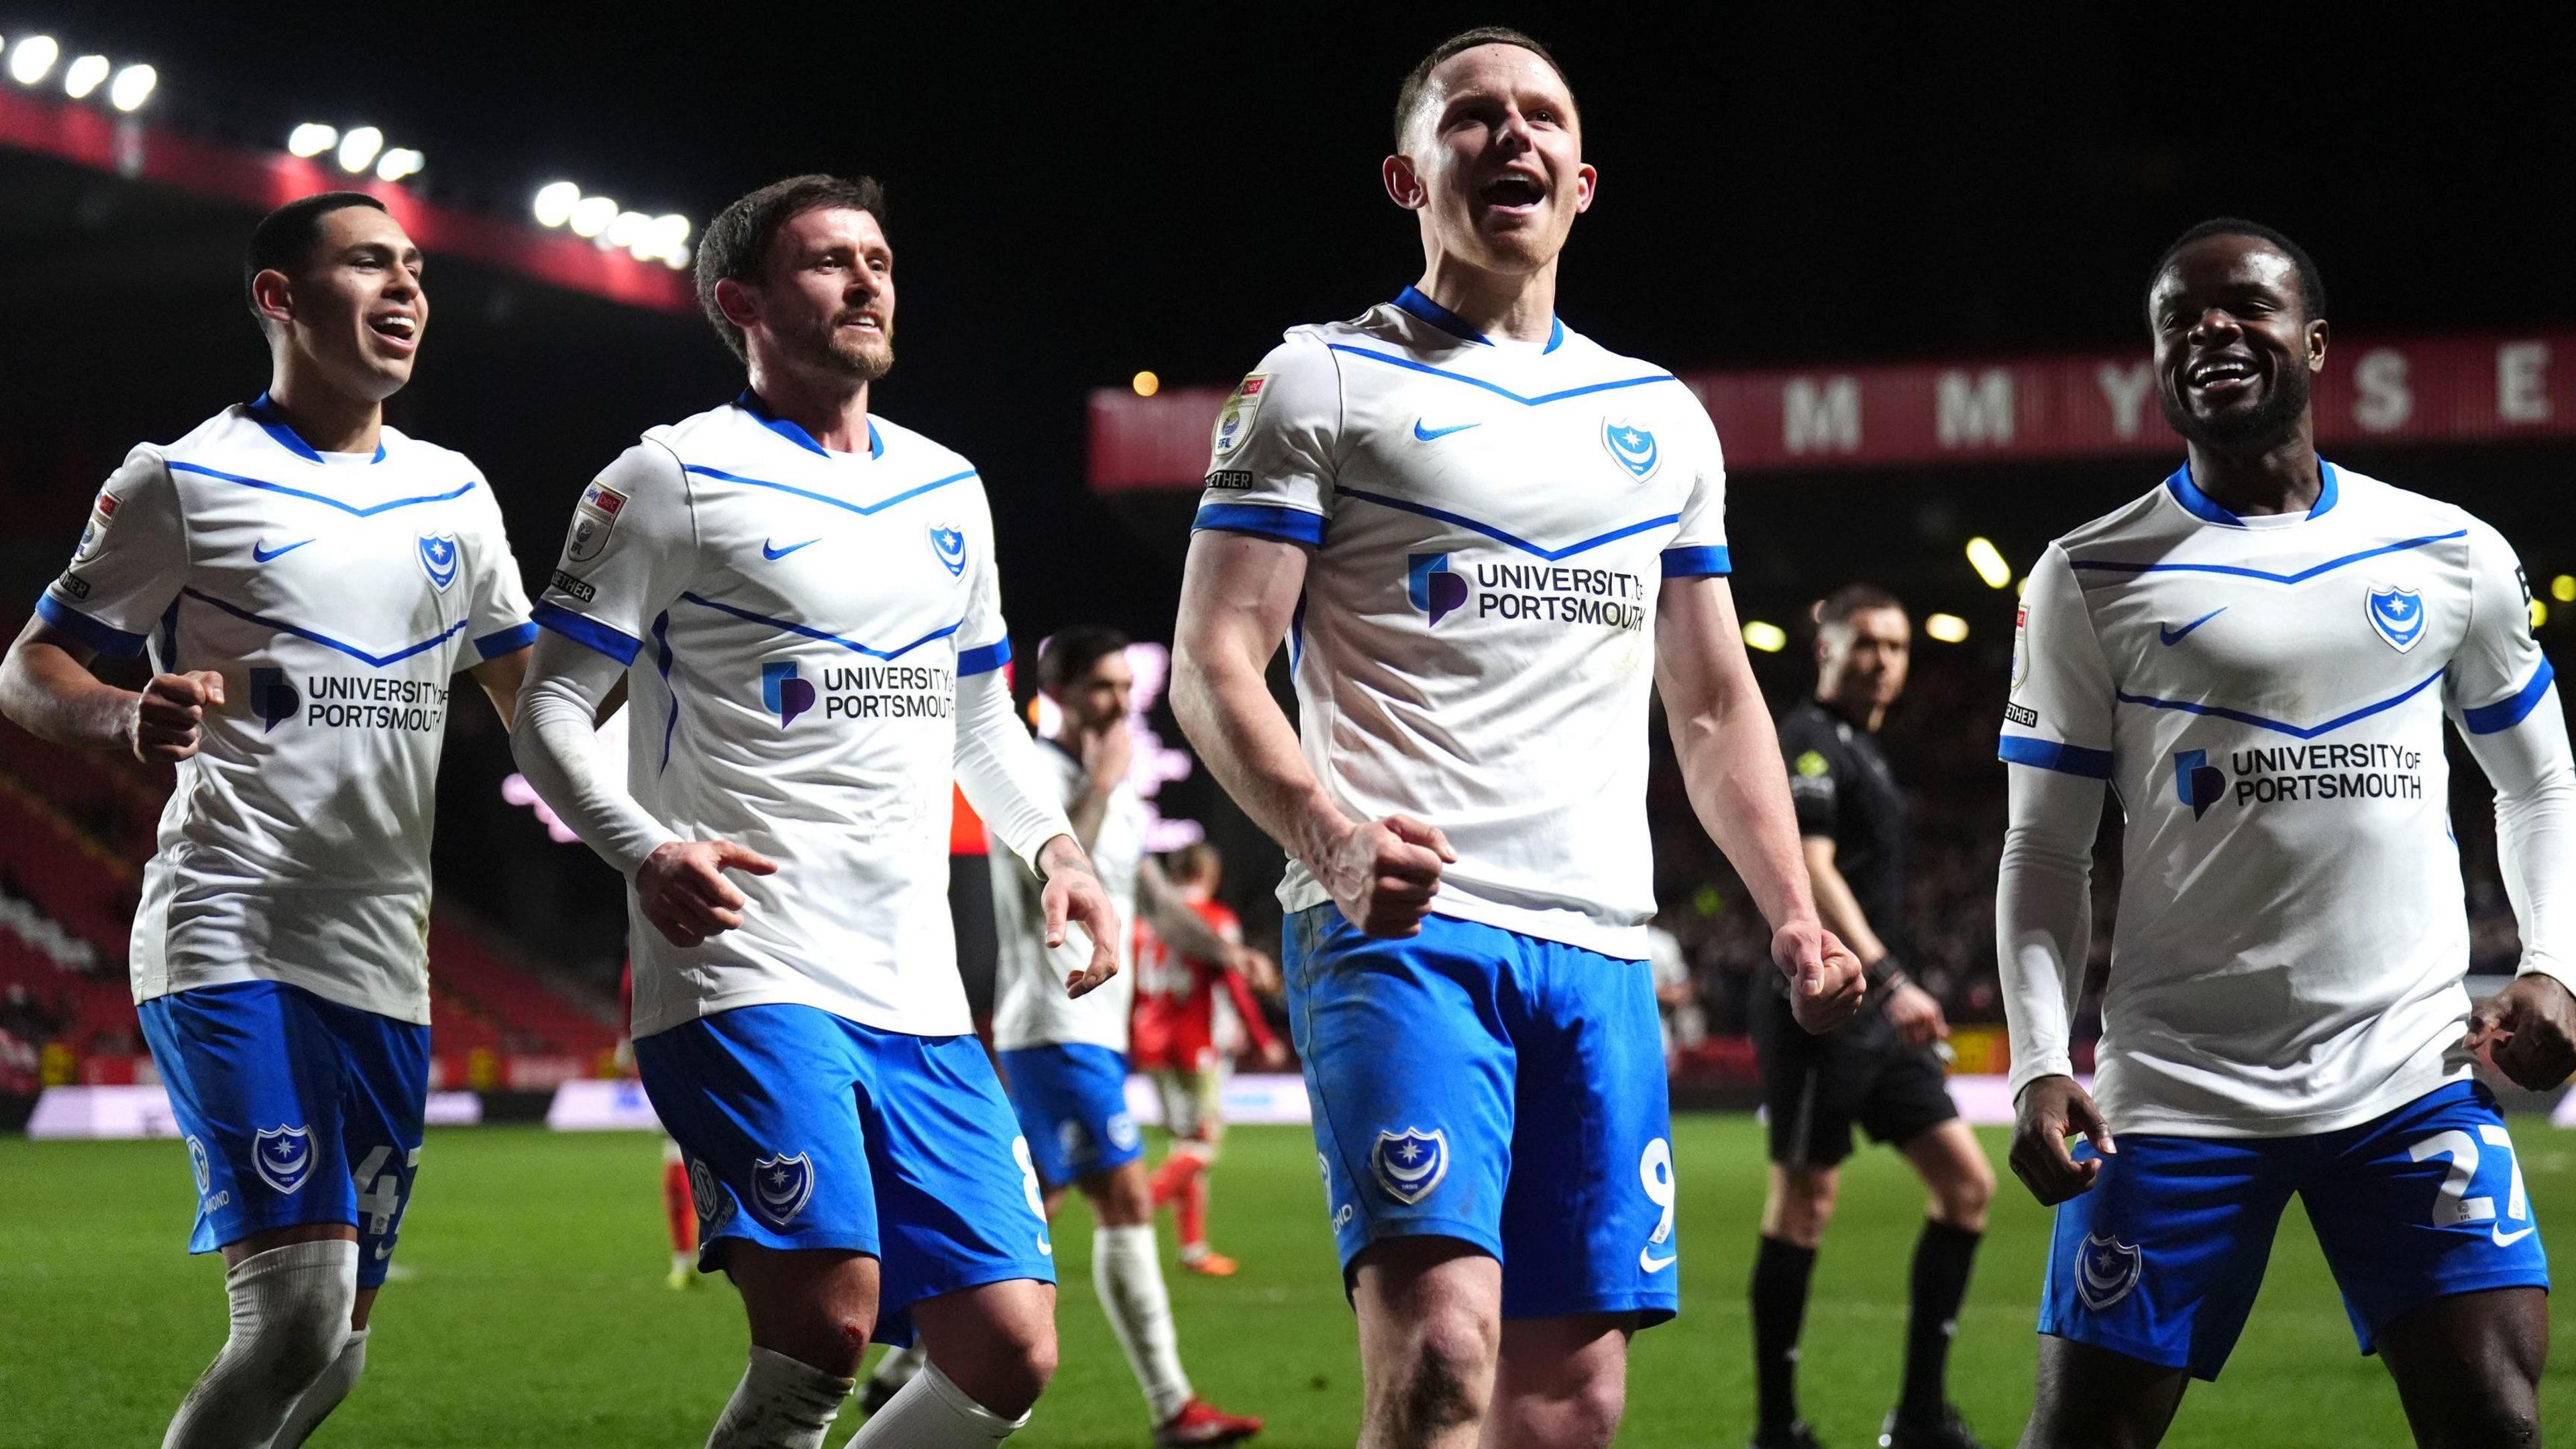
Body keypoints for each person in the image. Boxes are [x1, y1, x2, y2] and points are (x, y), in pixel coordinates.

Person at [1168, 28, 1866, 1449]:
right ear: (1407, 175)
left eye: (1541, 117)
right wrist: (1330, 836)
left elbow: (1717, 699)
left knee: (1573, 1406)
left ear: (1586, 181)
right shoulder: (1318, 384)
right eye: (1472, 118)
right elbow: (1215, 660)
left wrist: (1794, 912)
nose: (1512, 139)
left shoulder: (1657, 419)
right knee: (1437, 1363)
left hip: (1603, 948)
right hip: (1402, 930)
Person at [508, 173, 1122, 1449]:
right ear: (741, 302)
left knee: (1007, 1353)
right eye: (829, 261)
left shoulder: (950, 489)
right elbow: (549, 711)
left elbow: (977, 722)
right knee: (829, 1329)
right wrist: (645, 849)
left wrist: (1057, 851)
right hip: (743, 966)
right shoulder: (669, 477)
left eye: (880, 259)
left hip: (918, 989)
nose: (866, 281)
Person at [1998, 218, 2575, 1448]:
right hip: (2180, 1088)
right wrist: (2041, 1058)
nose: (2209, 328)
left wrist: (2554, 964)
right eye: (2178, 318)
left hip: (2408, 1076)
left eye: (2243, 307)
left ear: (2316, 345)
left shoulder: (2452, 552)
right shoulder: (2085, 575)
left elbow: (2541, 783)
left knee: (2494, 1417)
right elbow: (2043, 850)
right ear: (2157, 367)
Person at [0, 191, 535, 1449]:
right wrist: (119, 715)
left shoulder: (455, 493)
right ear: (279, 299)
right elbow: (29, 670)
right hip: (228, 930)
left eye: (414, 268)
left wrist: (667, 793)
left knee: (336, 1355)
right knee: (292, 1316)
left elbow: (540, 706)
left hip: (386, 962)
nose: (406, 291)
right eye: (368, 265)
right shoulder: (182, 478)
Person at [958, 626, 1266, 1444]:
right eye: (1103, 688)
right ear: (1053, 695)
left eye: (1128, 690)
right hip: (1055, 1023)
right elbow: (1064, 881)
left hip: (1098, 1028)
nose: (1122, 705)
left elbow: (1156, 903)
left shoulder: (1116, 789)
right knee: (1124, 1199)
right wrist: (1097, 784)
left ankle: (901, 1370)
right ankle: (1173, 1407)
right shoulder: (1027, 780)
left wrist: (1230, 954)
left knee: (1034, 1209)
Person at [1751, 585, 1992, 1449]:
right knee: (1804, 1206)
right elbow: (1813, 870)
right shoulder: (1808, 741)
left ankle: (1921, 1414)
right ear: (1828, 649)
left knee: (1967, 1188)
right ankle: (1777, 1430)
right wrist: (1892, 979)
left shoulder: (1867, 752)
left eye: (1896, 646)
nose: (1883, 661)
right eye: (1866, 644)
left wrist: (1888, 992)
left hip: (1877, 1014)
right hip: (1820, 1002)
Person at [1134, 840, 1289, 1277]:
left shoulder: (1149, 922)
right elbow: (1234, 981)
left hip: (1150, 1044)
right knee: (1203, 1145)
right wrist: (1262, 1037)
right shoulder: (1214, 921)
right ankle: (1136, 1206)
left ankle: (1193, 1249)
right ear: (1209, 874)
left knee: (1185, 1144)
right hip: (1194, 1044)